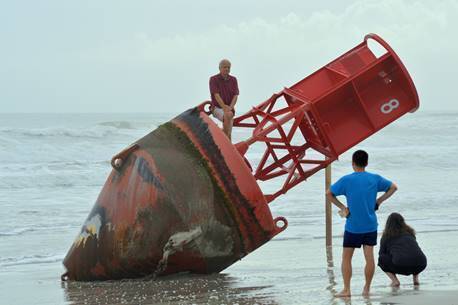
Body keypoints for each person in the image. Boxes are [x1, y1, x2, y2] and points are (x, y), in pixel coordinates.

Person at [326, 150, 398, 297]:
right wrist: (379, 201)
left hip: (353, 226)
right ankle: (366, 289)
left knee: (346, 258)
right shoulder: (374, 179)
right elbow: (393, 187)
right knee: (369, 257)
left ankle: (347, 290)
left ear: (353, 163)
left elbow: (329, 193)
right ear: (366, 163)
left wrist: (342, 207)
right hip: (370, 225)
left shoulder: (347, 180)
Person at [378, 212, 427, 287]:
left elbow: (381, 254)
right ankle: (415, 279)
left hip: (402, 265)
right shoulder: (410, 233)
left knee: (381, 259)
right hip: (421, 264)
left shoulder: (386, 236)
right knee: (413, 254)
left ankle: (395, 281)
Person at [209, 59, 239, 140]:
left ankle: (225, 141)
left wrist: (230, 107)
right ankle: (227, 141)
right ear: (219, 68)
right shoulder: (213, 79)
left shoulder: (233, 80)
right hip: (217, 108)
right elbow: (216, 95)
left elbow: (235, 95)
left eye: (228, 67)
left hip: (230, 108)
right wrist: (224, 107)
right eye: (224, 67)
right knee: (228, 119)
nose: (227, 69)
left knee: (228, 116)